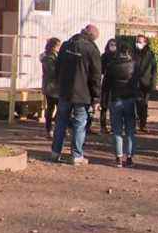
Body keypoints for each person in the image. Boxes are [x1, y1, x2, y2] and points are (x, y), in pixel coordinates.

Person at [51, 25, 102, 165]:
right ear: (92, 37)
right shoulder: (91, 50)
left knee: (60, 122)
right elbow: (96, 76)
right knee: (80, 124)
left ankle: (55, 152)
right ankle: (76, 155)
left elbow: (57, 67)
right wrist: (96, 97)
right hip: (82, 94)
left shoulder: (66, 45)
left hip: (64, 92)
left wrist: (58, 85)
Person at [103, 43, 139, 168]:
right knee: (130, 131)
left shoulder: (112, 65)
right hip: (129, 100)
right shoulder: (134, 65)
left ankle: (118, 157)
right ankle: (129, 158)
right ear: (129, 52)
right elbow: (137, 84)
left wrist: (103, 102)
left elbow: (106, 86)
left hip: (115, 99)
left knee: (117, 131)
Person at [93, 38, 117, 135]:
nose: (113, 46)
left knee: (113, 107)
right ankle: (103, 126)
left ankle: (113, 126)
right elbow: (100, 70)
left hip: (115, 84)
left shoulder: (118, 57)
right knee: (104, 106)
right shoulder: (104, 56)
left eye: (114, 45)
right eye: (111, 44)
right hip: (106, 83)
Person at [133, 35, 157, 133]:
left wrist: (153, 84)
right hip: (134, 83)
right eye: (137, 41)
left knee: (144, 105)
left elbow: (154, 70)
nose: (138, 44)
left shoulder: (150, 54)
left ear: (145, 43)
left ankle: (143, 125)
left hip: (146, 83)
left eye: (140, 42)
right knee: (134, 105)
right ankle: (133, 125)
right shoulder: (133, 53)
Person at [40, 37, 61, 140]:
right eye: (58, 46)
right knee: (51, 107)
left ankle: (54, 128)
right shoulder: (49, 57)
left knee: (56, 108)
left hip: (54, 86)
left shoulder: (54, 56)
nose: (59, 48)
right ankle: (49, 129)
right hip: (52, 86)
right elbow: (51, 71)